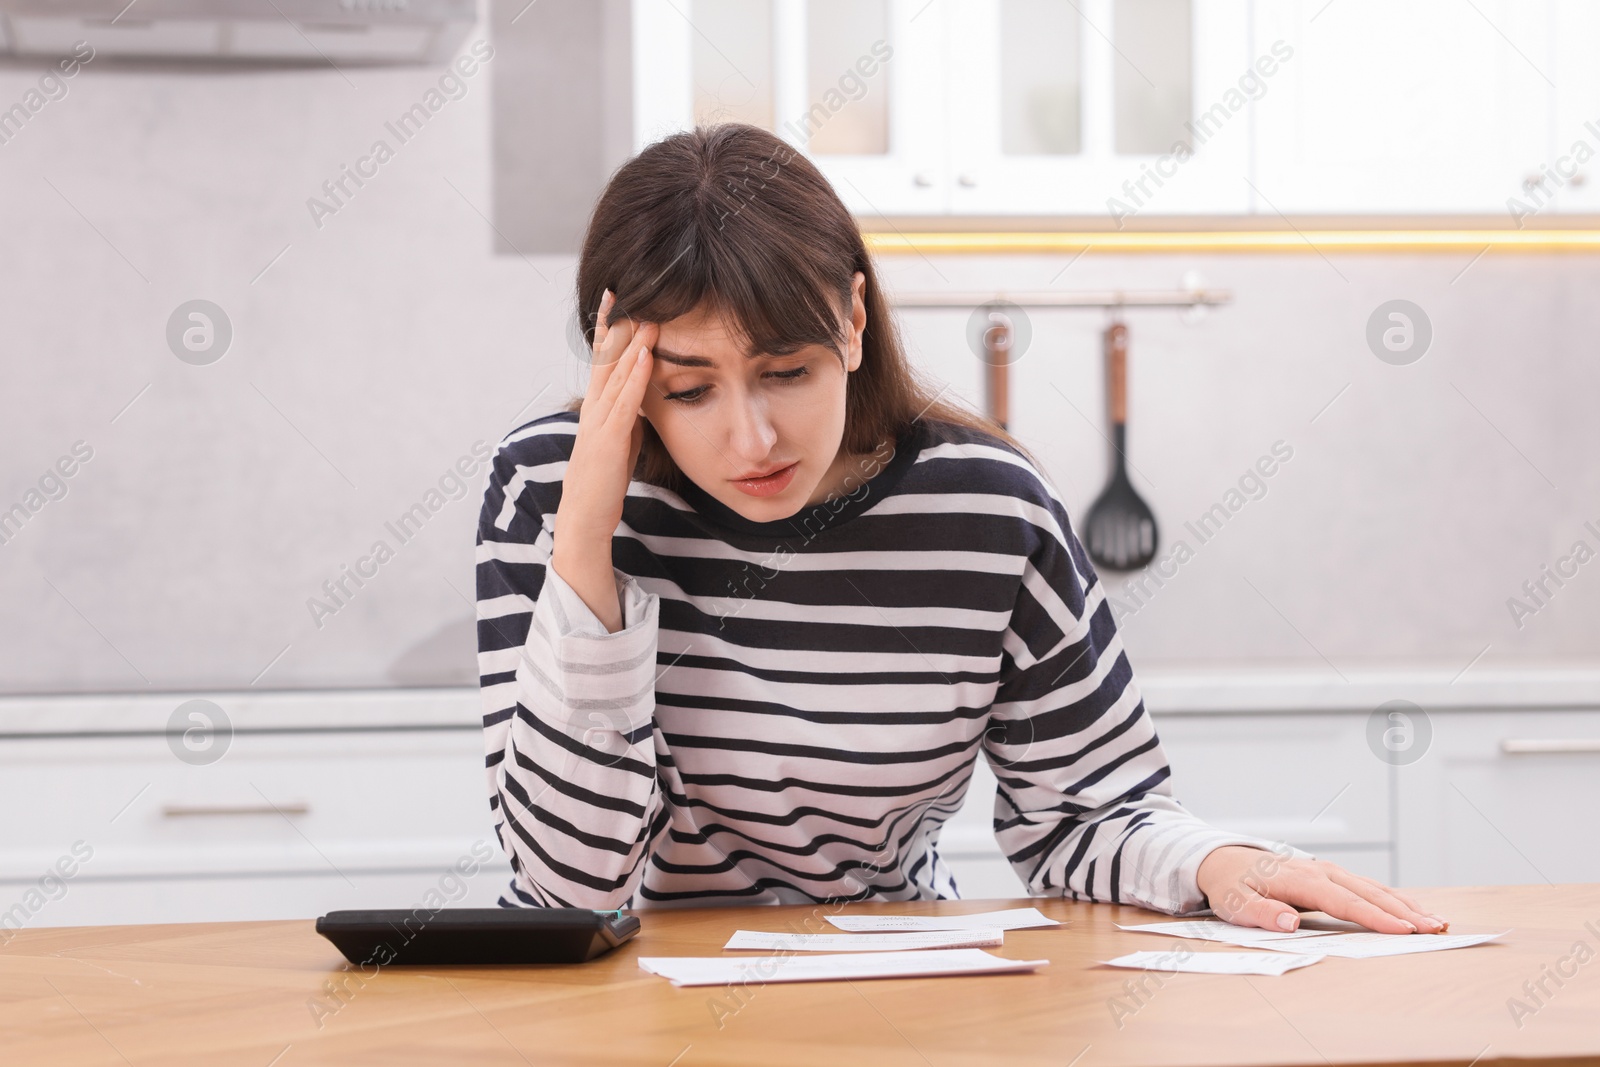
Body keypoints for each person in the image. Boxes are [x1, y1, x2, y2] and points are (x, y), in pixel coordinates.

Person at [474, 122, 1445, 935]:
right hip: (620, 1004)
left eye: (786, 371)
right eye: (688, 388)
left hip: (894, 979)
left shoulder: (988, 508)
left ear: (853, 319)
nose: (751, 436)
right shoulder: (546, 490)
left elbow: (1085, 814)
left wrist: (1215, 860)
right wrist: (586, 539)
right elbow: (569, 891)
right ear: (620, 367)